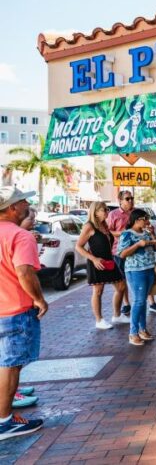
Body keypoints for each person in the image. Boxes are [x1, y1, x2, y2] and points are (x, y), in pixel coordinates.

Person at [0, 187, 47, 440]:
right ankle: (4, 422)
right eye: (22, 201)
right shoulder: (21, 235)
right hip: (14, 312)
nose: (27, 204)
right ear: (11, 208)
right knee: (10, 367)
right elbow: (25, 273)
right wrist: (39, 299)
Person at [108, 191, 156, 315]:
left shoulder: (137, 213)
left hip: (142, 253)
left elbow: (154, 241)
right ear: (120, 201)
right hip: (120, 250)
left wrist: (151, 234)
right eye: (127, 199)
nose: (130, 201)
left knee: (146, 278)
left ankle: (152, 302)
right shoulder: (113, 214)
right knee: (123, 280)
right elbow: (109, 231)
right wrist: (124, 233)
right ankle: (126, 304)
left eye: (132, 198)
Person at [75, 202, 127, 329]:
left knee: (121, 286)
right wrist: (93, 259)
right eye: (104, 209)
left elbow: (110, 239)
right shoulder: (89, 226)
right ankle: (99, 320)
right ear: (96, 212)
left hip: (109, 260)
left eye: (107, 209)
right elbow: (78, 246)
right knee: (98, 291)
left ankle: (117, 315)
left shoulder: (104, 225)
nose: (107, 212)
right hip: (97, 262)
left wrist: (123, 233)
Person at [117, 209, 156, 346]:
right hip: (135, 271)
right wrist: (137, 245)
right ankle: (133, 333)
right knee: (139, 301)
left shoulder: (147, 233)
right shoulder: (127, 234)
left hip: (149, 269)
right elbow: (122, 254)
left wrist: (153, 234)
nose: (147, 221)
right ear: (137, 220)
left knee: (142, 301)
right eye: (145, 218)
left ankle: (142, 329)